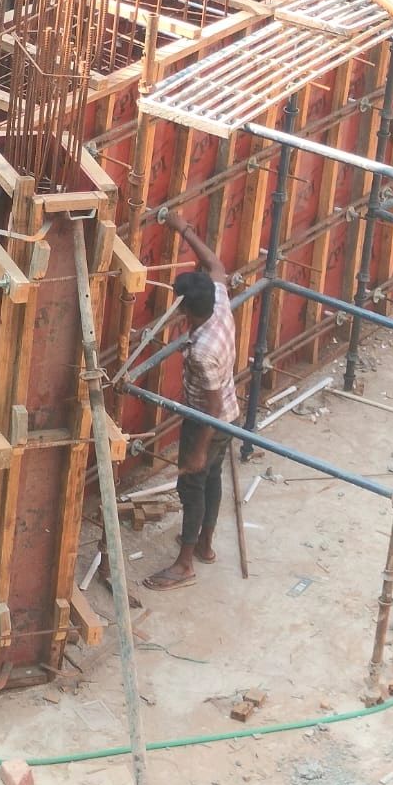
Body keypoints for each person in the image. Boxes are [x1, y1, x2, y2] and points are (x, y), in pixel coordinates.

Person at [143, 210, 239, 591]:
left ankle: (184, 564)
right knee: (212, 478)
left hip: (208, 420)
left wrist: (198, 450)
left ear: (185, 309)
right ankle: (205, 545)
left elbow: (211, 407)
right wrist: (183, 229)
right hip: (230, 413)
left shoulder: (201, 350)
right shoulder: (218, 299)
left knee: (192, 485)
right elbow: (214, 263)